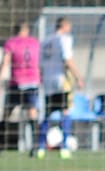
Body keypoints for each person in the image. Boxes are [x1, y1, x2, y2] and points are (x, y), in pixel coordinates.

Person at [0, 20, 43, 156]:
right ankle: (37, 146)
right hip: (32, 82)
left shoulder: (11, 43)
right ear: (26, 30)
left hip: (17, 82)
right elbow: (39, 62)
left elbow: (5, 62)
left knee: (7, 114)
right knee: (32, 113)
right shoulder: (35, 43)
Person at [39, 16, 84, 152]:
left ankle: (41, 147)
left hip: (48, 81)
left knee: (47, 113)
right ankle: (64, 147)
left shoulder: (46, 40)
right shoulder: (64, 39)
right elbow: (67, 60)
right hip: (61, 80)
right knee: (65, 111)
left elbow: (40, 63)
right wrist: (78, 78)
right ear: (64, 26)